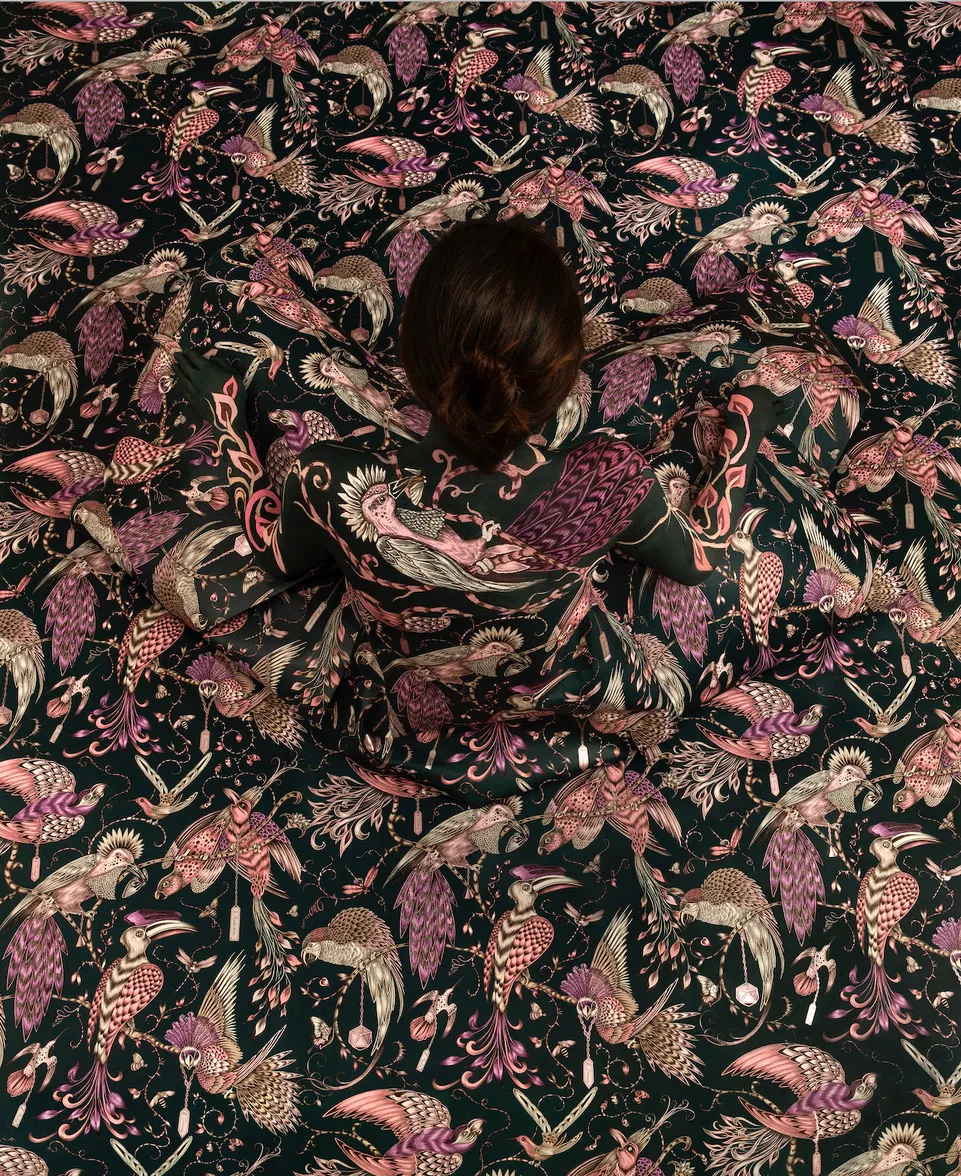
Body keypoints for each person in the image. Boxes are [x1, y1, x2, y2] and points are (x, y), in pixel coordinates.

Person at [174, 218, 785, 773]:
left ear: (409, 358)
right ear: (567, 376)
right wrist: (746, 434)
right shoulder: (605, 478)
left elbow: (278, 557)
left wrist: (229, 418)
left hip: (410, 694)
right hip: (554, 680)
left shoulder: (329, 478)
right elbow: (699, 561)